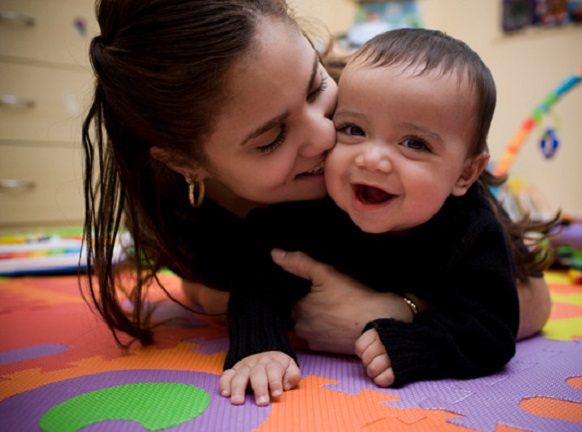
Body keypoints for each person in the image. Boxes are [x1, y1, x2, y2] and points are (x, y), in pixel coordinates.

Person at [81, 0, 553, 407]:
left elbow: (528, 301)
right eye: (271, 138)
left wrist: (394, 311)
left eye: (314, 90)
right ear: (186, 164)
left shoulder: (378, 97)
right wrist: (244, 316)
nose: (327, 134)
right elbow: (212, 286)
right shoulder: (174, 210)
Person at [221, 27, 557, 398]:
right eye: (353, 129)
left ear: (465, 173)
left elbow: (492, 330)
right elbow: (257, 280)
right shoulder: (312, 208)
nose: (372, 158)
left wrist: (415, 341)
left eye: (414, 143)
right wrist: (260, 347)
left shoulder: (472, 231)